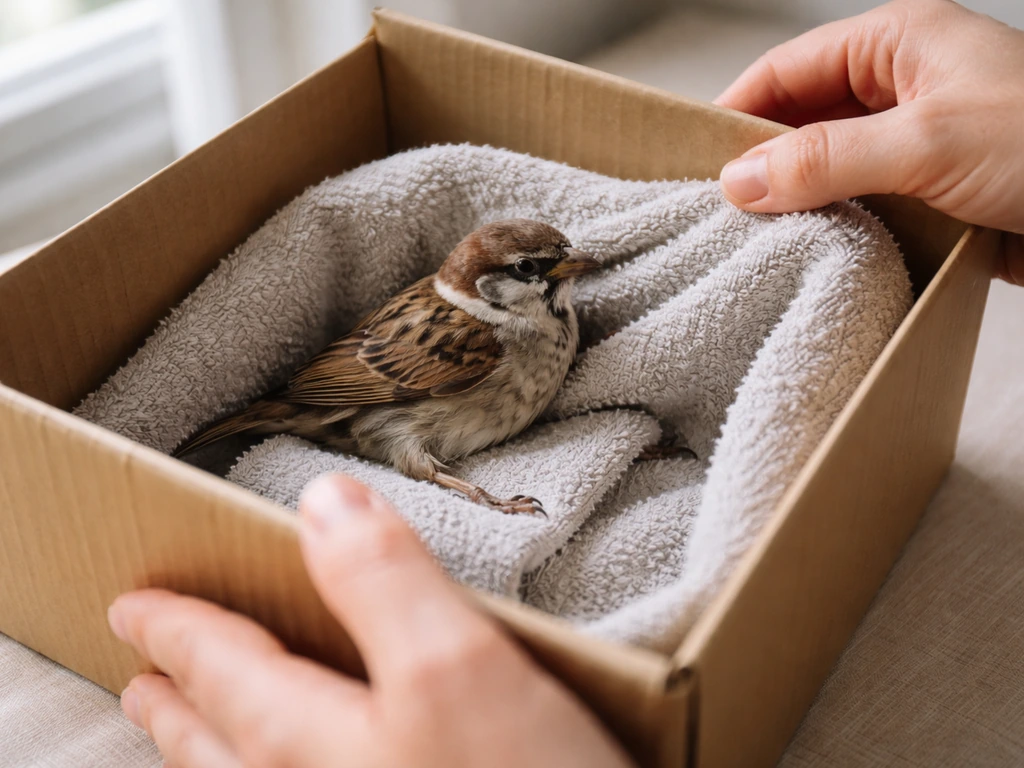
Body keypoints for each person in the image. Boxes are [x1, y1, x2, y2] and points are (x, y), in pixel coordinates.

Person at [106, 1, 1024, 765]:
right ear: (495, 290)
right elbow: (381, 397)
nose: (569, 272)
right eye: (545, 270)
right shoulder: (468, 338)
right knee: (417, 455)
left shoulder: (551, 318)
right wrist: (478, 497)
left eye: (559, 261)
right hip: (373, 421)